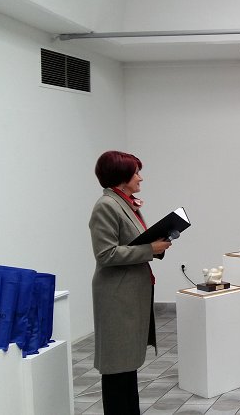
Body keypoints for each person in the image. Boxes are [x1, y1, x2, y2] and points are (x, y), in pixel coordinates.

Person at [89, 151, 171, 414]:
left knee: (126, 367)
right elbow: (105, 254)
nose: (140, 178)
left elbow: (132, 243)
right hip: (116, 297)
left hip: (128, 295)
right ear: (121, 176)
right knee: (117, 368)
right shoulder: (106, 205)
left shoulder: (124, 203)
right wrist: (150, 249)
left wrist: (157, 246)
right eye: (136, 173)